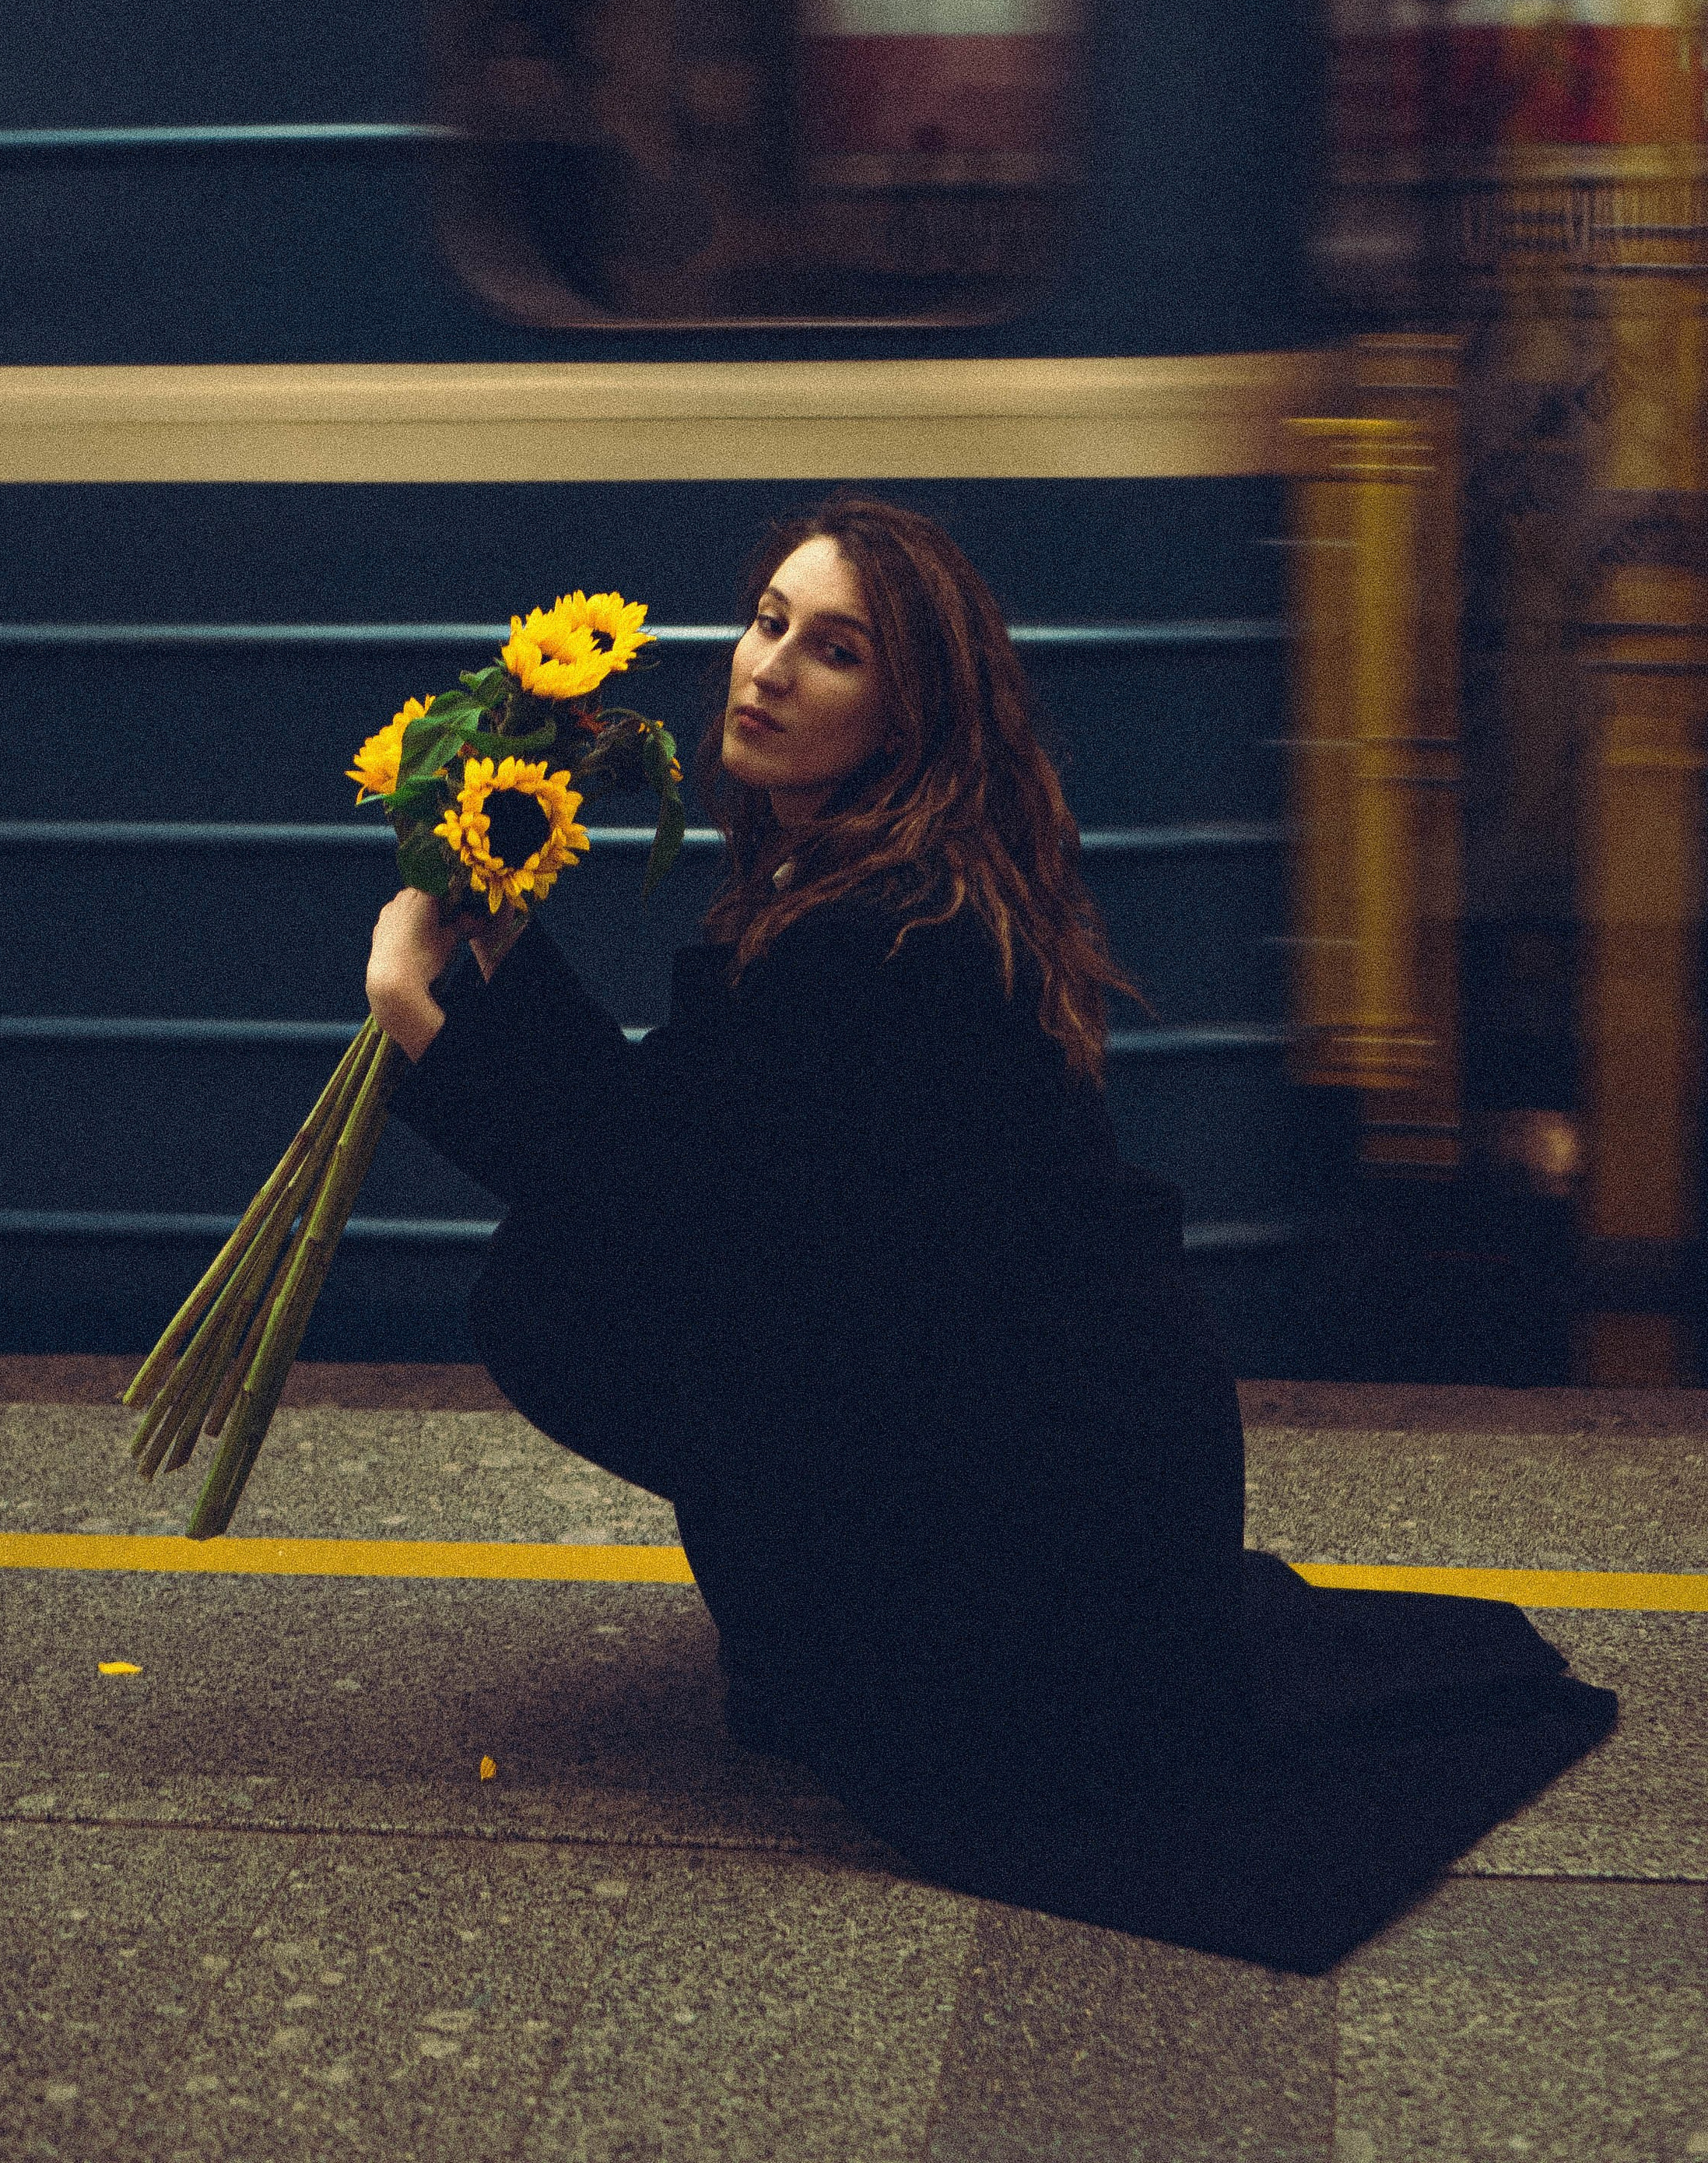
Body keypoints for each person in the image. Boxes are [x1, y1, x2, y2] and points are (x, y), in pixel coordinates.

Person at [366, 492, 1616, 1973]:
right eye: (768, 622)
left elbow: (663, 1200)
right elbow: (690, 1147)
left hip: (1036, 1516)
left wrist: (416, 1008)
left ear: (909, 714)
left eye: (835, 651)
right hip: (1070, 1449)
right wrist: (504, 948)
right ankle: (827, 1622)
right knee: (576, 1274)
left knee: (563, 1289)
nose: (768, 668)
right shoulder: (877, 880)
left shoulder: (878, 936)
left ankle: (855, 1643)